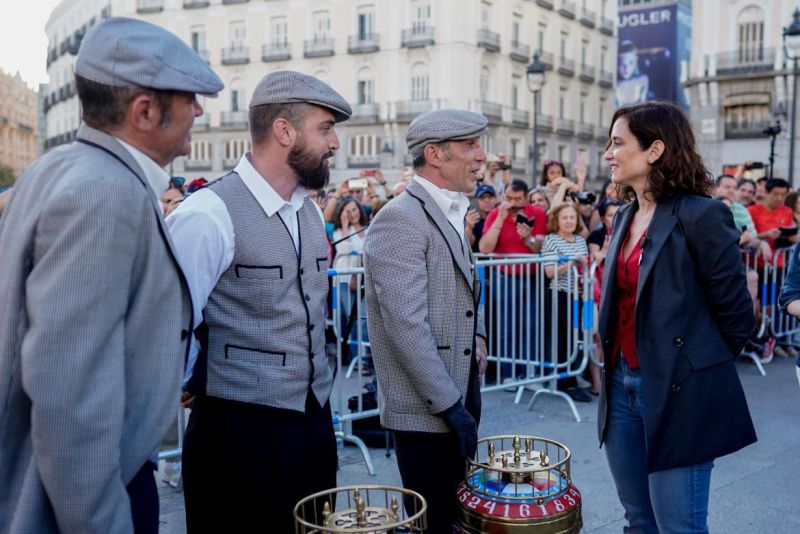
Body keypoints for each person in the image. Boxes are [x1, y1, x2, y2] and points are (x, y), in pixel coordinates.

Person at [0, 17, 222, 534]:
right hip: (89, 494)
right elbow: (69, 390)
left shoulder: (61, 168)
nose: (200, 111)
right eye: (190, 98)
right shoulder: (103, 192)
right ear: (144, 111)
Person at [168, 71, 351, 533]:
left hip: (313, 423)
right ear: (284, 131)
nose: (334, 143)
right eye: (325, 128)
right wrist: (195, 376)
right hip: (239, 435)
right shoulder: (208, 213)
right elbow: (168, 323)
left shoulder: (308, 209)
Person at [598, 101, 757, 533]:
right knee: (638, 521)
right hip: (621, 386)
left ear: (654, 150)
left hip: (676, 390)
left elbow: (738, 315)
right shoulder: (625, 216)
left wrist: (694, 369)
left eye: (617, 143)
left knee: (679, 527)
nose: (608, 154)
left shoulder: (702, 214)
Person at [364, 109, 488, 533]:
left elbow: (467, 287)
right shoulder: (400, 218)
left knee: (460, 518)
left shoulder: (452, 209)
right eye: (470, 145)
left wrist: (481, 340)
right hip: (427, 409)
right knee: (435, 523)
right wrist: (451, 407)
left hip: (458, 391)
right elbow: (406, 326)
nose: (481, 155)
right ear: (435, 154)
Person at [541, 203, 591, 403]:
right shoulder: (551, 240)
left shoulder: (580, 240)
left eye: (572, 217)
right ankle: (566, 384)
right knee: (562, 340)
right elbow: (549, 272)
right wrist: (572, 262)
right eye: (565, 218)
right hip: (560, 295)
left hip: (579, 295)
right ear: (557, 221)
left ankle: (572, 378)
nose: (569, 221)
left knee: (577, 338)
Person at [616, 39, 650, 106]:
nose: (626, 69)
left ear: (636, 61)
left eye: (630, 63)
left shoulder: (643, 80)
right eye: (622, 64)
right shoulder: (615, 84)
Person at [466, 183, 496, 252]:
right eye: (482, 197)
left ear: (495, 199)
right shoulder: (473, 221)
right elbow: (468, 245)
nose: (487, 200)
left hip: (499, 261)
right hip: (480, 262)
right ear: (477, 201)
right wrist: (469, 228)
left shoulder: (500, 219)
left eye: (490, 197)